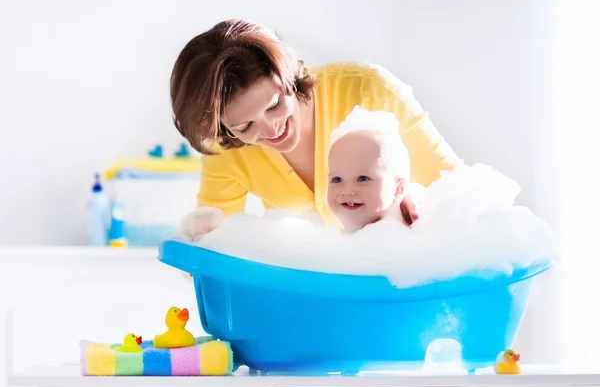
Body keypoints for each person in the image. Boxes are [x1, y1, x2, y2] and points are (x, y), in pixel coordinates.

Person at [170, 19, 463, 239]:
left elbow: (459, 188)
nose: (271, 129)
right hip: (319, 284)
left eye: (274, 105)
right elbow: (207, 252)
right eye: (245, 126)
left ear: (287, 77)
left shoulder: (370, 91)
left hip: (399, 272)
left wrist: (419, 198)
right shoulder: (228, 151)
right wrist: (196, 234)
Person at [326, 105, 415, 234]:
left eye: (362, 178)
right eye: (337, 179)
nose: (347, 191)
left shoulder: (397, 236)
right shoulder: (332, 239)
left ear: (398, 189)